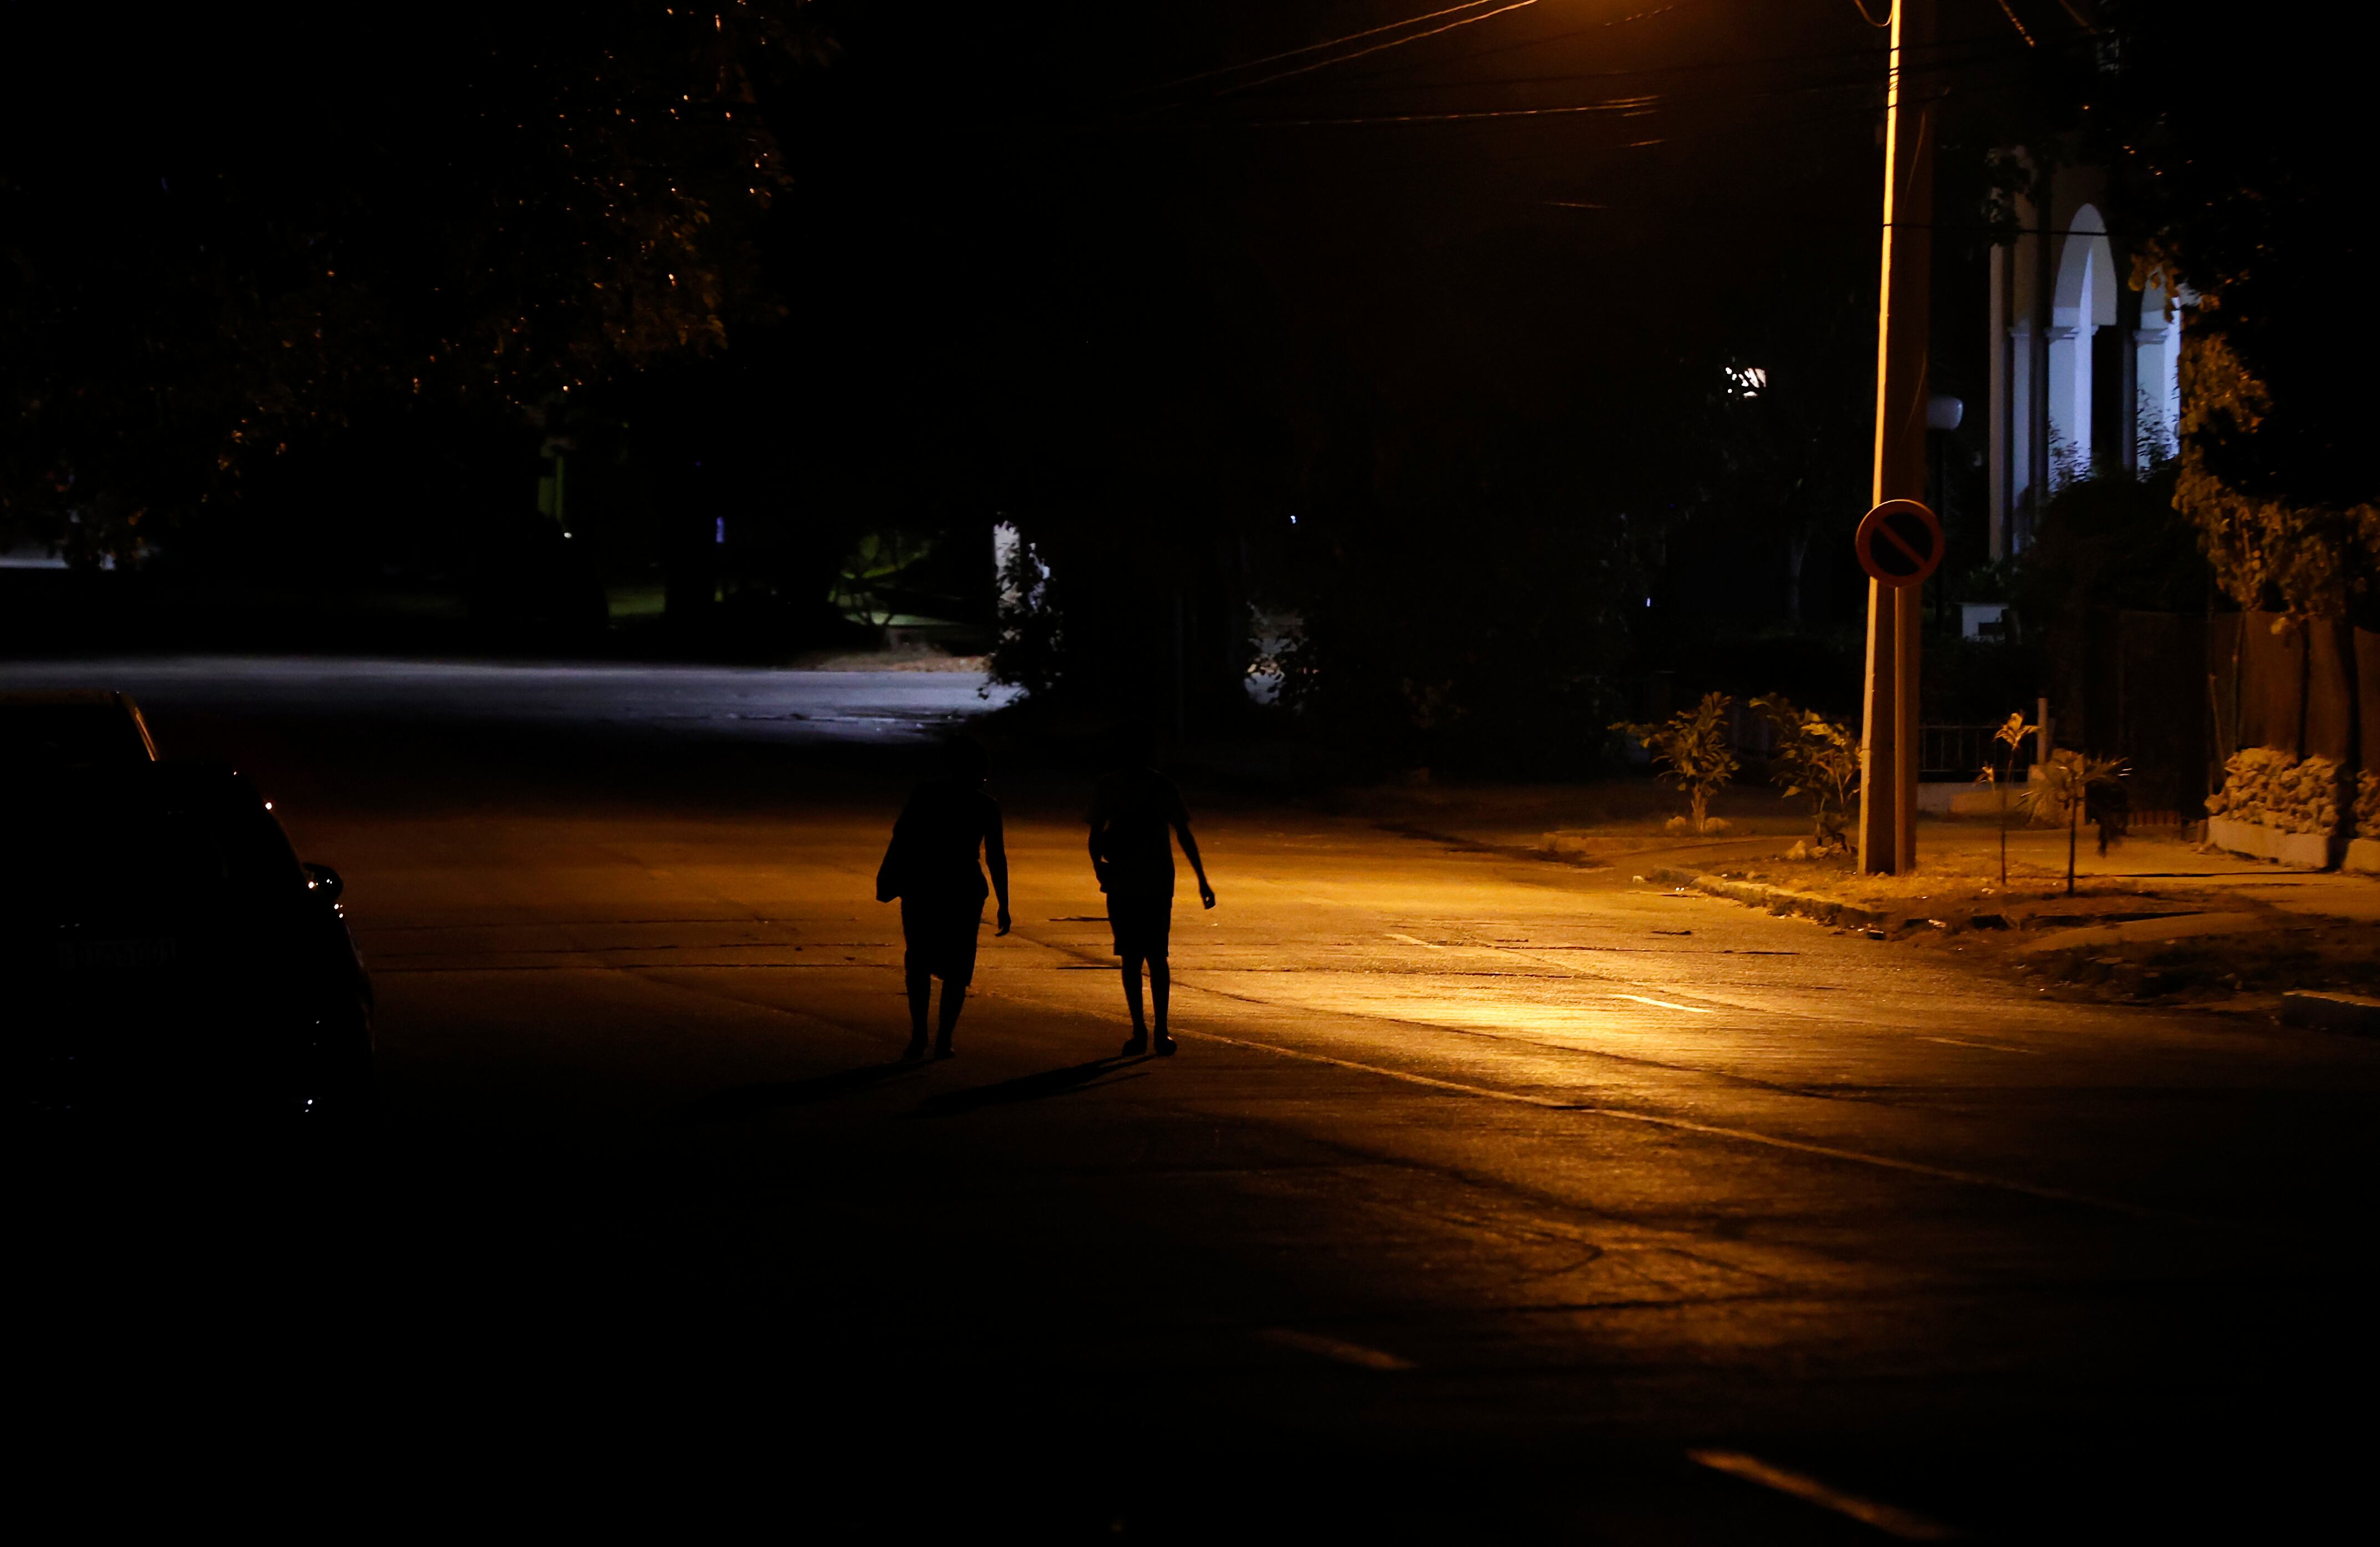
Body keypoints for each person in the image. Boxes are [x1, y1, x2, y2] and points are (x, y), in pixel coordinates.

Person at [877, 738, 1010, 1059]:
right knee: (958, 965)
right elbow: (996, 857)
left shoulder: (926, 795)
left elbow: (902, 836)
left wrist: (891, 876)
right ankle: (942, 1038)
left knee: (919, 960)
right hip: (962, 887)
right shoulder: (985, 805)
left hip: (923, 884)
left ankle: (920, 1036)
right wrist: (1004, 904)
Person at [1087, 727, 1214, 1057]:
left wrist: (1099, 868)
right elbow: (1183, 834)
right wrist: (1201, 879)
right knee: (1153, 956)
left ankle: (1145, 1030)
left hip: (1133, 879)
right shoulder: (1159, 786)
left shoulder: (1114, 785)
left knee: (1136, 957)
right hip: (1151, 879)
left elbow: (1095, 835)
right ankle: (1156, 1030)